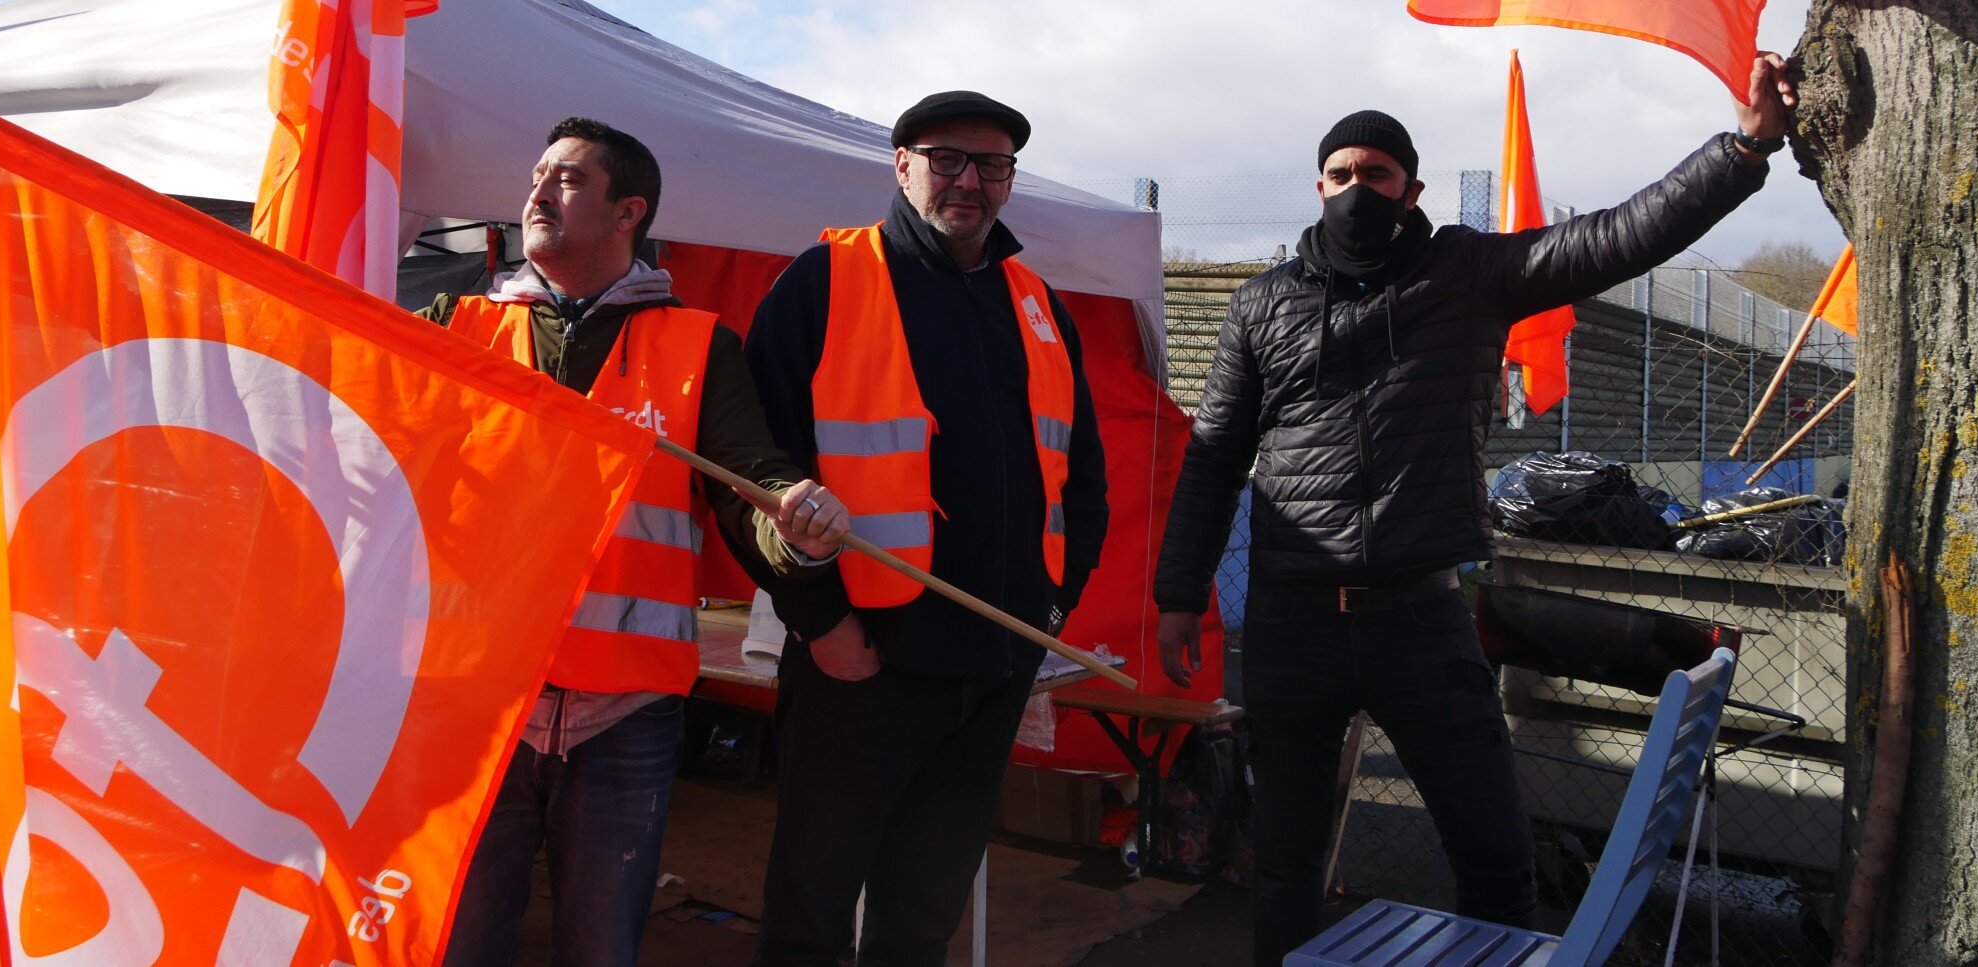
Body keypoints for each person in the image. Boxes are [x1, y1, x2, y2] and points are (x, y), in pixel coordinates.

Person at [1153, 56, 1797, 965]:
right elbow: (1215, 452)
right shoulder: (1262, 303)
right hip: (1294, 621)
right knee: (1284, 863)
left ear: (1410, 188)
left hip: (1423, 617)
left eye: (1376, 175)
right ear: (1317, 184)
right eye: (1340, 174)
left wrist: (1742, 149)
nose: (1355, 190)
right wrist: (1181, 589)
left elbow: (1617, 238)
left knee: (1496, 861)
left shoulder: (1469, 273)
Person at [429, 116, 852, 967]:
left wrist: (798, 526)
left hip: (625, 710)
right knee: (454, 943)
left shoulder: (698, 344)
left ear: (630, 212)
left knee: (599, 950)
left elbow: (753, 488)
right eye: (539, 173)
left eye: (570, 178)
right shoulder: (457, 324)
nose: (540, 191)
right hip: (476, 700)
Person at [742, 89, 1111, 967]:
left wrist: (1046, 617)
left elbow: (1082, 482)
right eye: (946, 158)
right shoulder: (826, 281)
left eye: (991, 165)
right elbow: (755, 476)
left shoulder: (1038, 303)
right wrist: (822, 625)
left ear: (1011, 180)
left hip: (989, 672)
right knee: (810, 916)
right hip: (860, 668)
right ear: (901, 163)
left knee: (921, 920)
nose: (969, 181)